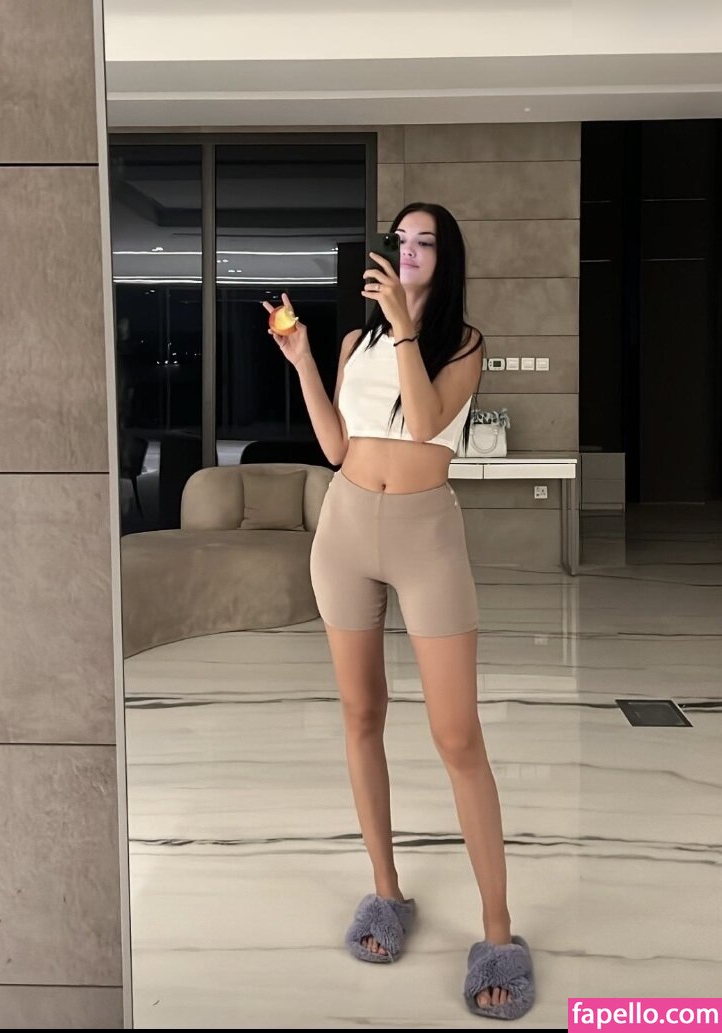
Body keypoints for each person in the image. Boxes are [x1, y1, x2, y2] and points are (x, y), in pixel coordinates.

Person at [262, 202, 534, 1020]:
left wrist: (405, 326)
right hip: (345, 528)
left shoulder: (463, 343)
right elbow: (337, 447)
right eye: (400, 240)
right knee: (360, 714)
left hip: (426, 538)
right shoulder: (356, 341)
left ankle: (498, 933)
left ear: (445, 261)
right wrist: (306, 361)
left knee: (458, 736)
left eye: (425, 243)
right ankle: (386, 892)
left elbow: (422, 420)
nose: (408, 252)